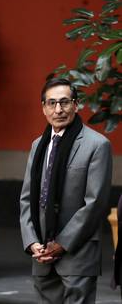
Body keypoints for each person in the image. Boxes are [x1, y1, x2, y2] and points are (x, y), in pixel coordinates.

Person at [19, 78, 112, 304]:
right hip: (41, 254)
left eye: (64, 102)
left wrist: (61, 244)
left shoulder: (97, 145)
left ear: (76, 105)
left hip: (77, 253)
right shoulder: (37, 145)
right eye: (51, 103)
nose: (58, 109)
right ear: (43, 108)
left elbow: (95, 203)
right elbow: (26, 199)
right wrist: (32, 243)